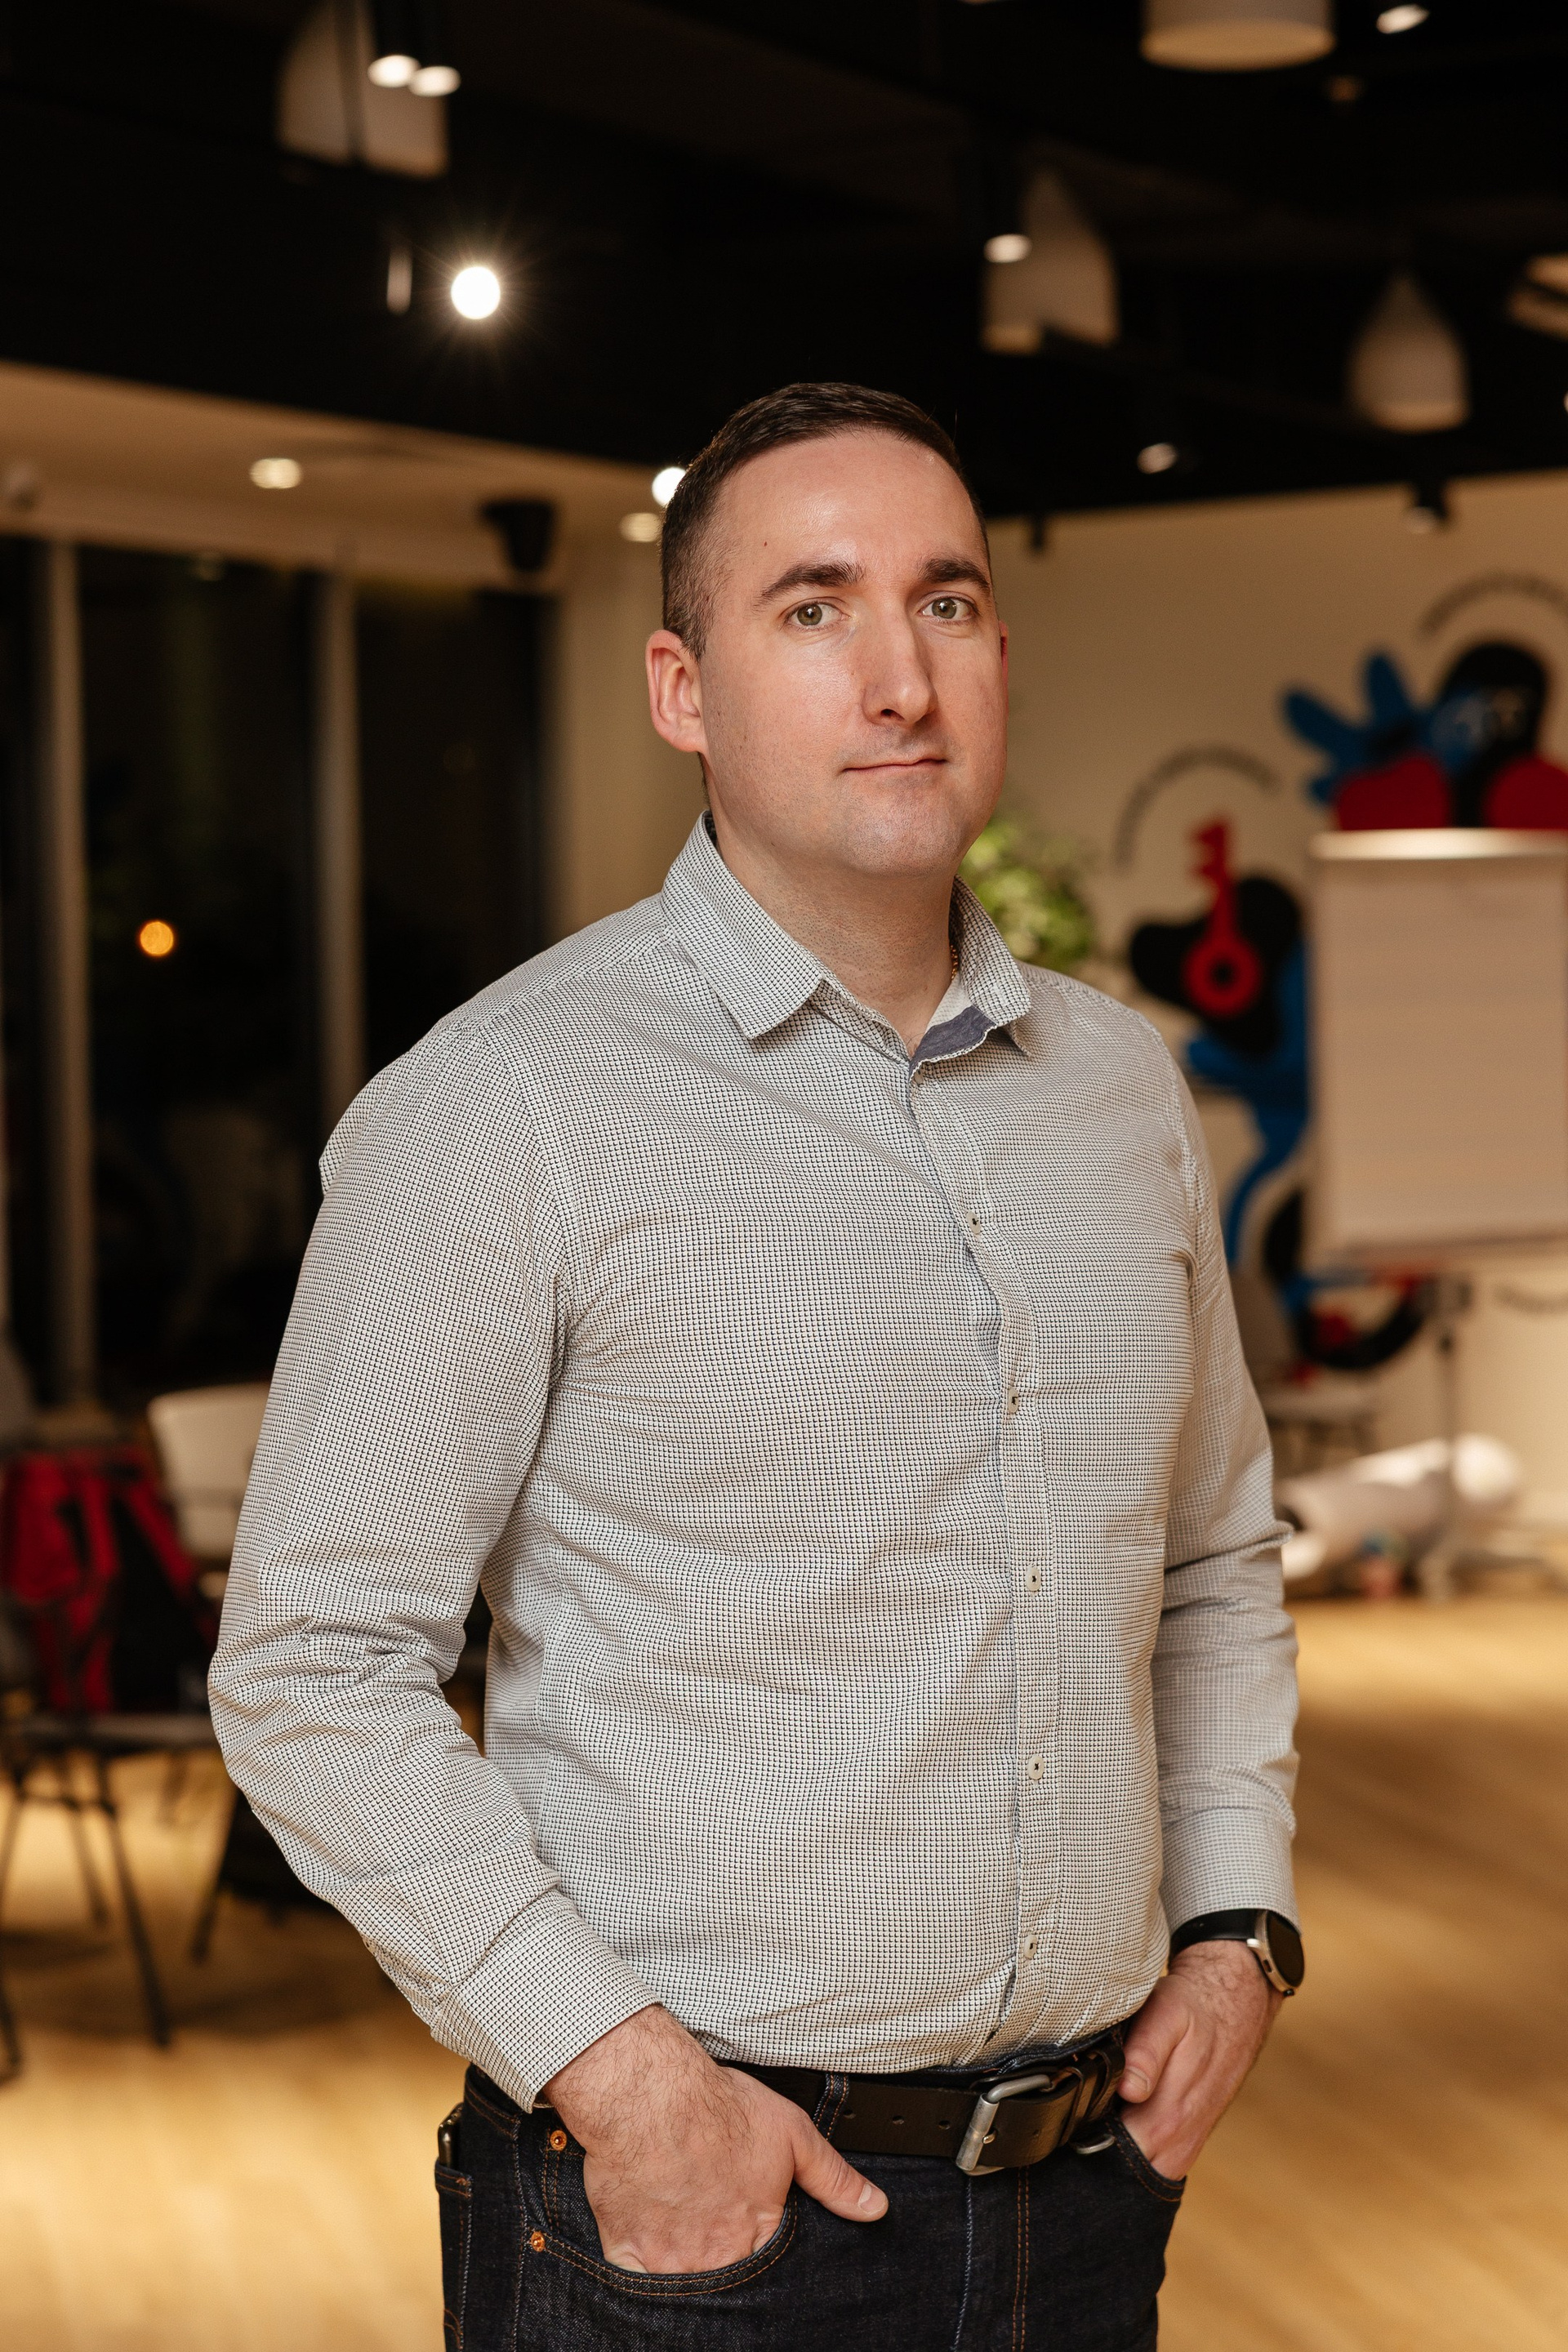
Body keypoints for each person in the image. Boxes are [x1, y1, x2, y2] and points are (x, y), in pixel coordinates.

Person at [209, 381, 1301, 2350]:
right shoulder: (505, 1103)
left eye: (945, 602)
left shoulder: (1122, 1089)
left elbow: (1214, 1556)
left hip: (1085, 2207)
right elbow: (312, 1664)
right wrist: (621, 2079)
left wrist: (1237, 1931)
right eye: (813, 608)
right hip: (697, 2231)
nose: (900, 676)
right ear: (680, 689)